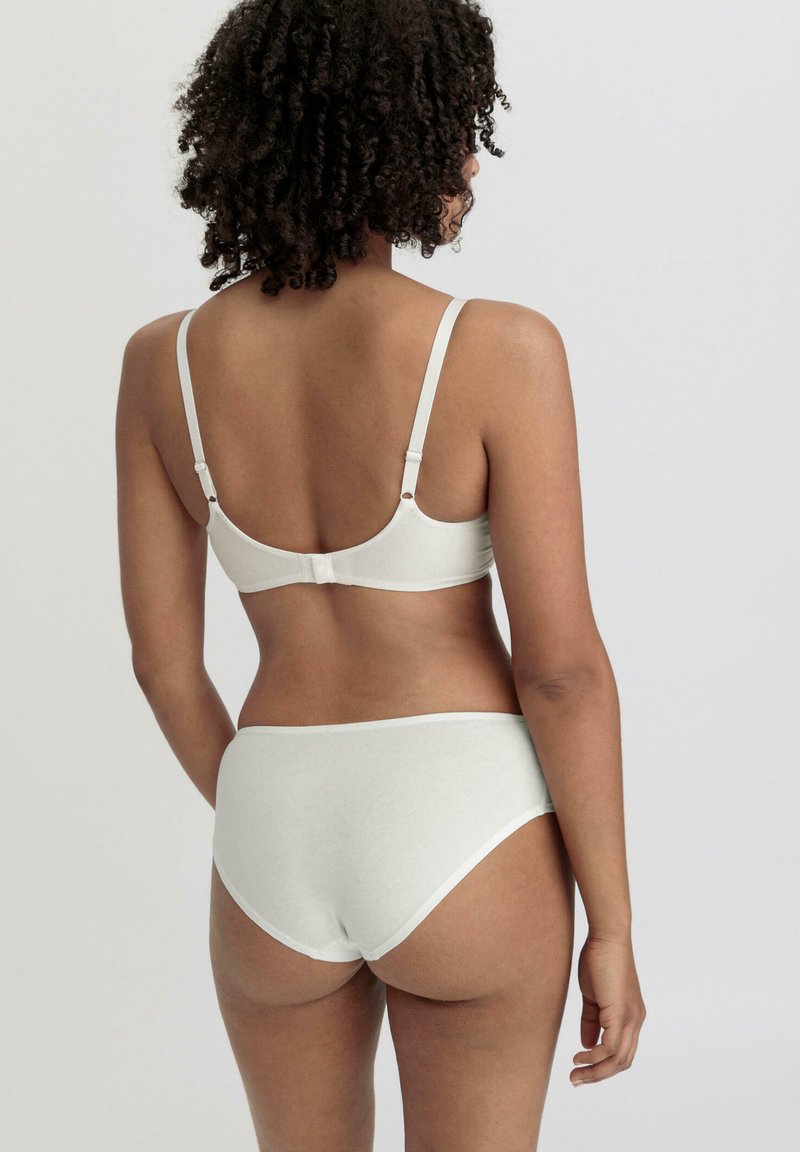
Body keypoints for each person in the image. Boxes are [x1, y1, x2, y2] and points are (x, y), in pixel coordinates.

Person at [115, 1, 645, 1148]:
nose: (469, 158)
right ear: (399, 132)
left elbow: (163, 667)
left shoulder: (164, 363)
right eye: (454, 123)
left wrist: (276, 814)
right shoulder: (497, 347)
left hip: (270, 824)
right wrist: (610, 921)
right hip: (463, 815)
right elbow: (559, 671)